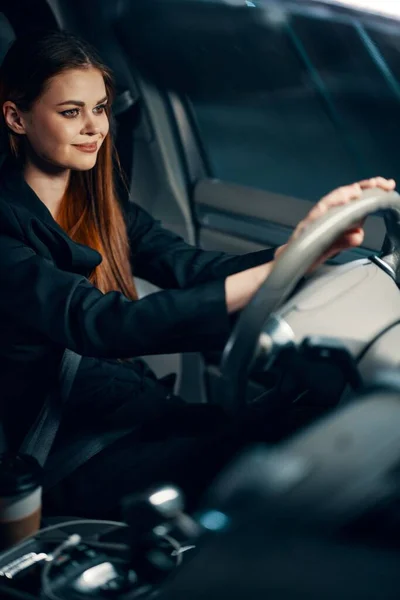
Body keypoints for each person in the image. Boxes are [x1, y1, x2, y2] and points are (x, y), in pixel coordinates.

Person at [0, 30, 395, 518]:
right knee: (281, 469)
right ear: (16, 117)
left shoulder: (101, 204)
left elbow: (189, 266)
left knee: (310, 424)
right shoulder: (5, 227)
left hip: (139, 413)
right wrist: (272, 273)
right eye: (70, 112)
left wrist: (301, 247)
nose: (94, 128)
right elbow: (103, 323)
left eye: (100, 108)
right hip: (74, 455)